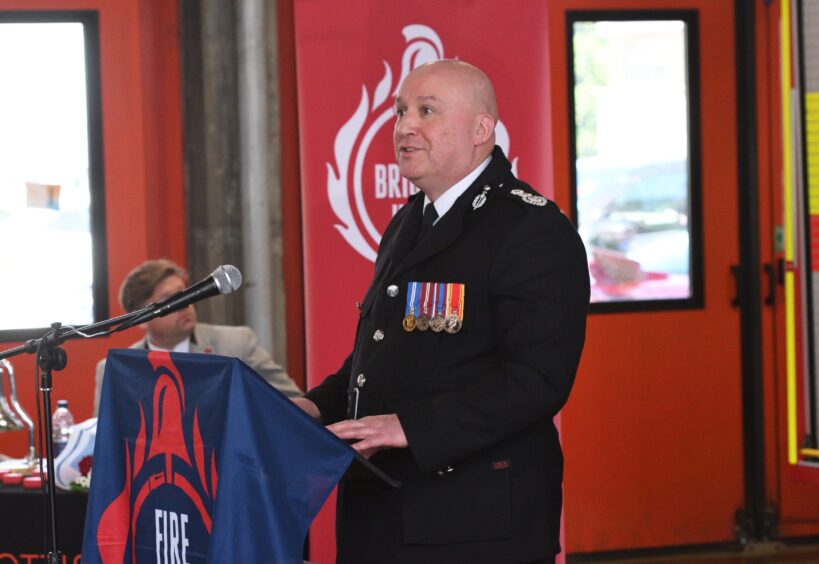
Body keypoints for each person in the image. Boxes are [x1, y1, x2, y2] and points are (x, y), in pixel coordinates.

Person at [293, 60, 590, 563]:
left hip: (473, 524)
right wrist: (317, 407)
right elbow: (384, 357)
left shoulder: (530, 229)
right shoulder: (410, 220)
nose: (405, 126)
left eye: (426, 111)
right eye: (400, 111)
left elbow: (537, 380)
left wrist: (410, 427)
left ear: (481, 129)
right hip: (383, 514)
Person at [93, 259, 301, 415]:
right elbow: (104, 438)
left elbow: (295, 402)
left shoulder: (237, 344)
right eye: (169, 300)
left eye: (184, 293)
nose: (185, 304)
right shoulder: (116, 369)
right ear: (141, 319)